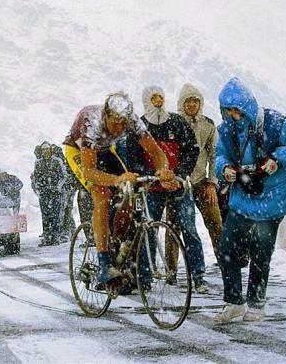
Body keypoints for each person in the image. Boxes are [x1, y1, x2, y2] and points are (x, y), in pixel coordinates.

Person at [214, 77, 286, 323]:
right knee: (227, 247)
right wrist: (224, 169)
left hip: (272, 199)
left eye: (236, 110)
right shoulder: (226, 130)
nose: (232, 115)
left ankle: (256, 304)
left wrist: (277, 159)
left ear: (247, 106)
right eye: (228, 110)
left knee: (261, 252)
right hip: (242, 195)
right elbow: (220, 155)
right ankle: (234, 301)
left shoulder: (275, 123)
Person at [64, 91, 176, 284]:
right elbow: (90, 171)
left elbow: (156, 152)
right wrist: (116, 180)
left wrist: (164, 170)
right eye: (115, 123)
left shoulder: (131, 120)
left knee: (129, 192)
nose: (119, 128)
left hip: (106, 150)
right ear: (106, 115)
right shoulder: (92, 123)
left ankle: (116, 245)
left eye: (123, 124)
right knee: (102, 193)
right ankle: (104, 261)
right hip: (78, 151)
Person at [125, 86, 208, 293]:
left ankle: (197, 276)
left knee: (189, 229)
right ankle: (145, 277)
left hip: (178, 185)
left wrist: (179, 174)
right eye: (154, 98)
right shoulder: (139, 127)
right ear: (146, 100)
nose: (158, 102)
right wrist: (153, 176)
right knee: (148, 229)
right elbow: (133, 159)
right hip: (151, 187)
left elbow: (192, 149)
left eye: (161, 97)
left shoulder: (177, 123)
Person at [177, 83, 223, 259]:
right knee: (174, 227)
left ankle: (224, 263)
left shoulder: (208, 125)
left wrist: (212, 183)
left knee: (215, 222)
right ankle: (171, 272)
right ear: (182, 103)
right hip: (179, 183)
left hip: (201, 182)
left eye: (195, 101)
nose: (192, 105)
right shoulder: (174, 123)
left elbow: (214, 156)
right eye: (188, 101)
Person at [31, 142, 66, 246]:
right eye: (44, 149)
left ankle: (55, 237)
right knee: (45, 215)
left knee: (56, 215)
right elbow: (36, 178)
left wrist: (58, 186)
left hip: (56, 192)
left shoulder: (57, 161)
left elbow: (64, 176)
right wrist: (39, 190)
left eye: (47, 149)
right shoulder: (38, 163)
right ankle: (47, 237)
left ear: (50, 150)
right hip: (44, 192)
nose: (46, 151)